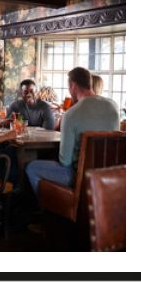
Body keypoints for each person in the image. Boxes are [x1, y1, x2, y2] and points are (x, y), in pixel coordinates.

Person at [25, 67, 119, 197]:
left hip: (79, 177)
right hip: (108, 175)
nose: (69, 91)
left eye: (69, 87)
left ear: (73, 85)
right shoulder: (113, 106)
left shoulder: (71, 114)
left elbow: (65, 161)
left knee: (32, 167)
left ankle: (49, 210)